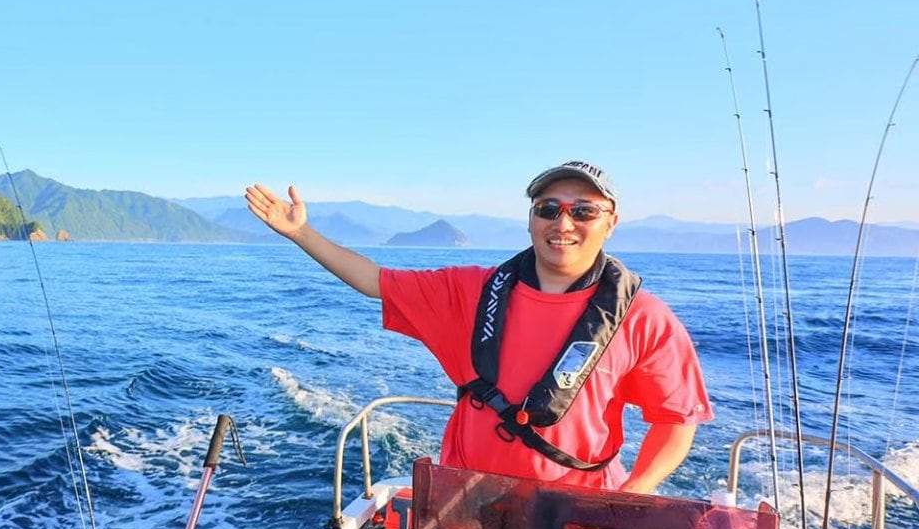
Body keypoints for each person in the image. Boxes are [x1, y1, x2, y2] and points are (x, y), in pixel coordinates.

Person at [245, 160, 711, 493]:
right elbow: (373, 281)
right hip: (466, 504)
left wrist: (634, 492)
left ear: (610, 222)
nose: (563, 221)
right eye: (548, 208)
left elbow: (676, 420)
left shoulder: (644, 318)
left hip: (578, 513)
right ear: (531, 220)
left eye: (583, 210)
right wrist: (300, 233)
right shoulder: (469, 291)